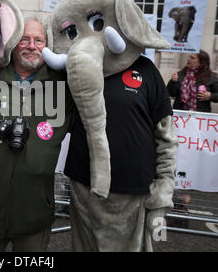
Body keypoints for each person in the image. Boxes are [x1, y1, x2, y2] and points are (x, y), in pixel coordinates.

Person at [0, 15, 73, 252]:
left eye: (39, 40)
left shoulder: (65, 86)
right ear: (13, 43)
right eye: (24, 39)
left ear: (48, 45)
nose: (32, 46)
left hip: (34, 215)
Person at [64, 55, 179, 252]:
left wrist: (163, 188)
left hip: (132, 194)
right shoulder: (81, 66)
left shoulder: (145, 69)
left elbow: (166, 137)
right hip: (84, 188)